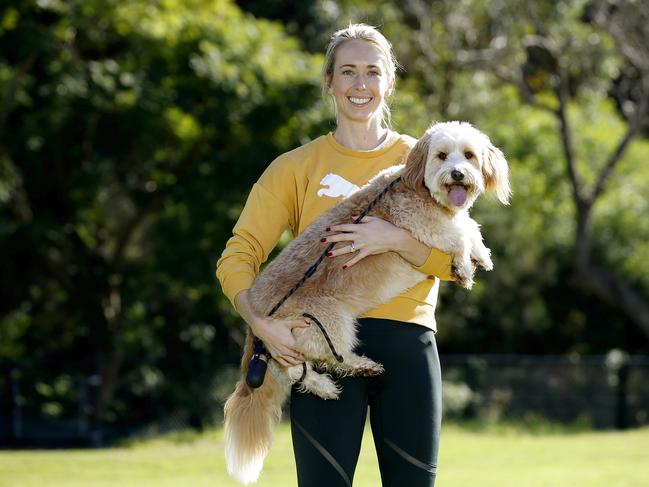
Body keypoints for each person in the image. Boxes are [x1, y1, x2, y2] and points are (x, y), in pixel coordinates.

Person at [216, 23, 454, 487]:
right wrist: (259, 323)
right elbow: (238, 254)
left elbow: (458, 264)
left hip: (409, 348)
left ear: (389, 81)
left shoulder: (427, 156)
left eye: (372, 72)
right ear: (329, 82)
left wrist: (395, 239)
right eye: (348, 72)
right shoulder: (294, 166)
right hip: (322, 344)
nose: (360, 84)